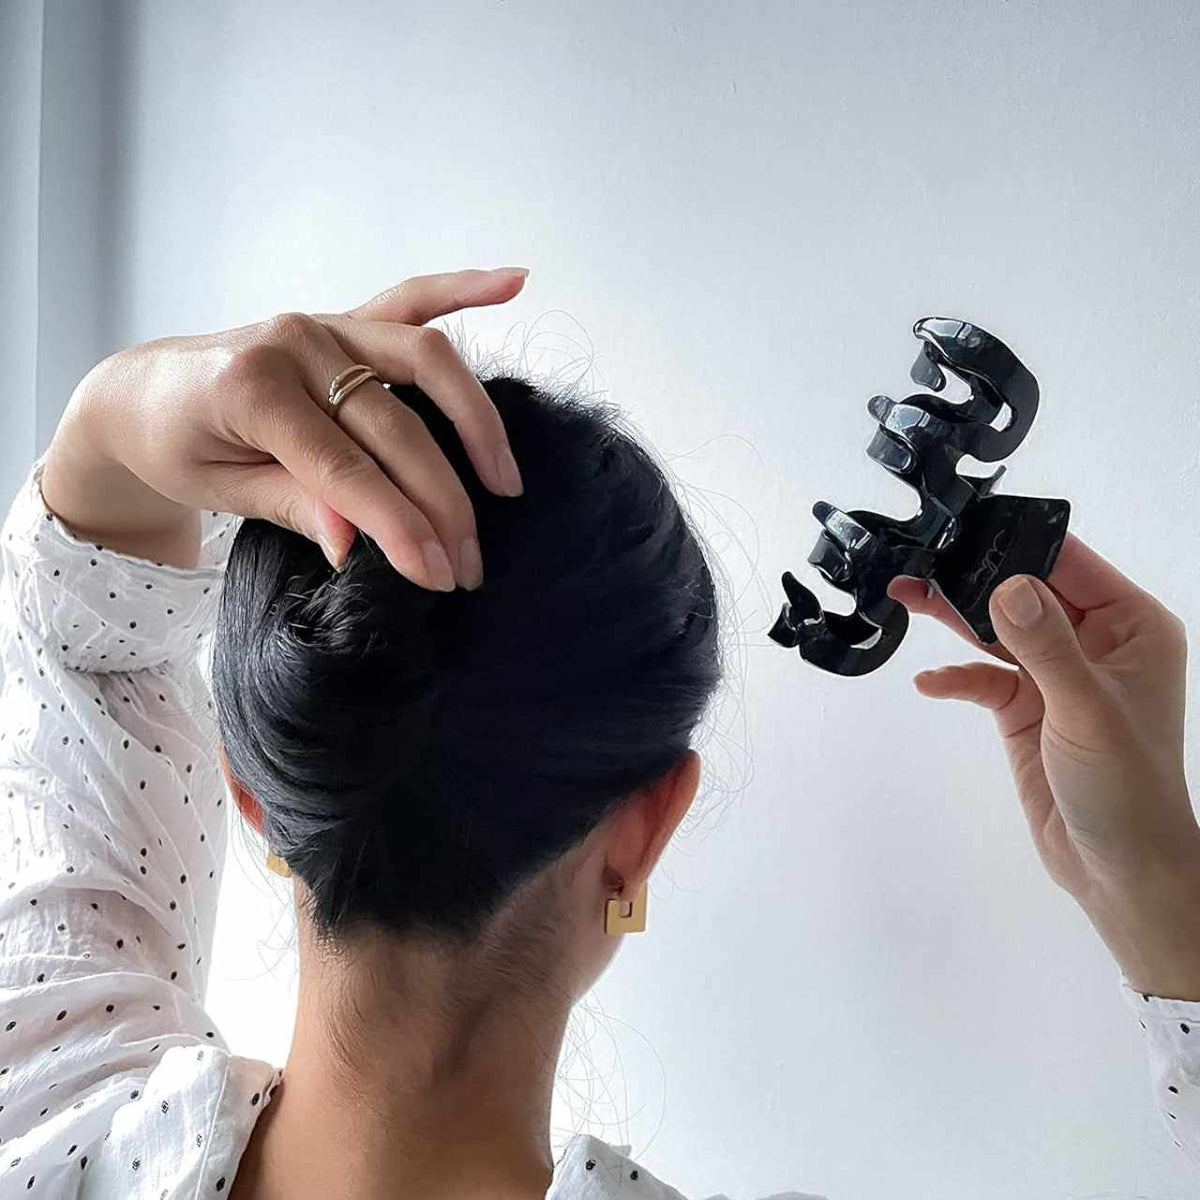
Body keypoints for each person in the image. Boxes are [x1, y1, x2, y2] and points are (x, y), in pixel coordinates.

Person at [0, 267, 1195, 1200]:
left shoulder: (44, 1113)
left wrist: (116, 410)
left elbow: (77, 636)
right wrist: (1159, 890)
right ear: (644, 830)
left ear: (254, 791)